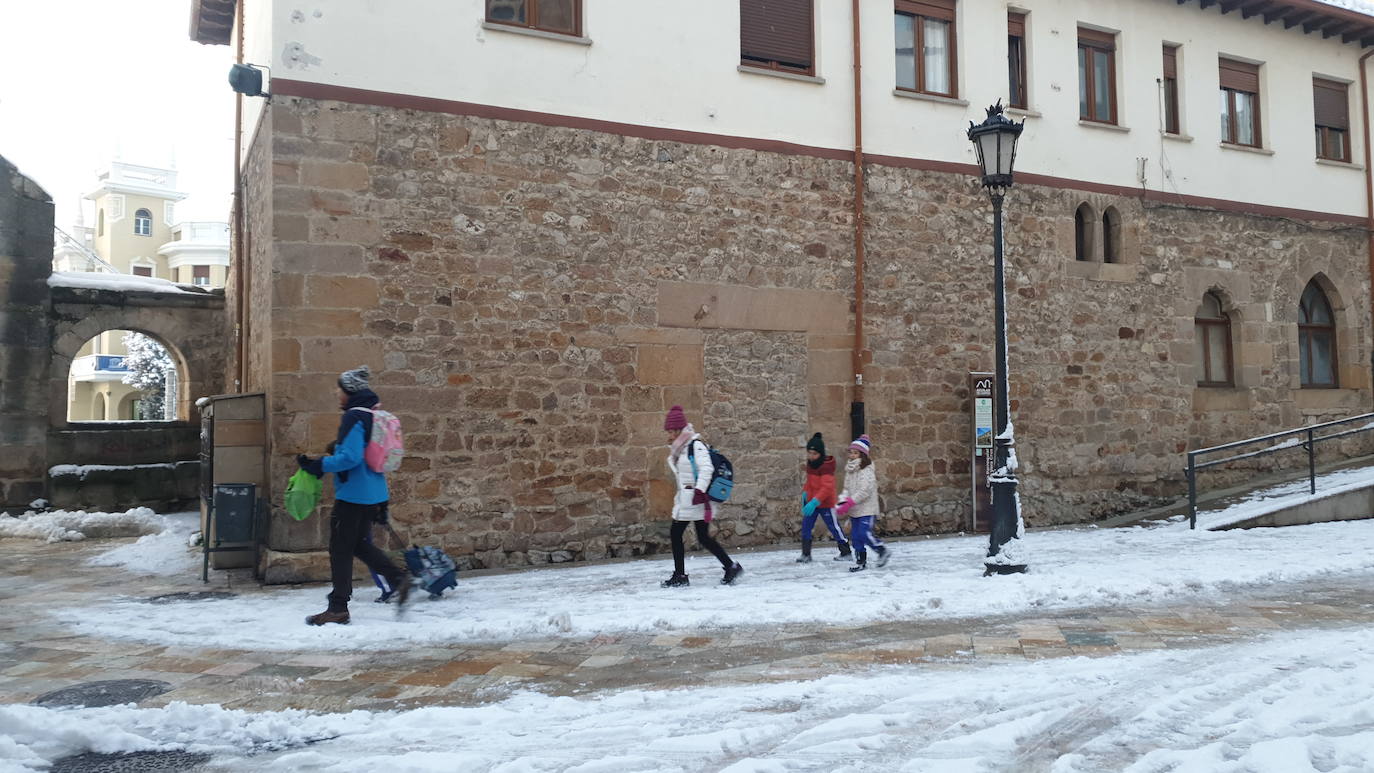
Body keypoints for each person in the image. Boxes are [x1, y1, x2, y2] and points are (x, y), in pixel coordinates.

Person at [297, 365, 411, 624]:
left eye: (339, 389)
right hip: (373, 493)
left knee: (340, 549)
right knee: (358, 544)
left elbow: (349, 458)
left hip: (352, 496)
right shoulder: (375, 415)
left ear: (349, 390)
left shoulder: (354, 417)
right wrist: (383, 503)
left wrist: (318, 465)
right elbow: (375, 459)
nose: (337, 393)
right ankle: (397, 578)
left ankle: (338, 608)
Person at [660, 405, 743, 587]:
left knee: (677, 534)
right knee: (702, 537)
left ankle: (681, 576)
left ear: (677, 430)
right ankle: (730, 566)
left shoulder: (695, 446)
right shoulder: (681, 448)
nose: (669, 434)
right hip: (688, 500)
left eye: (670, 431)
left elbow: (707, 468)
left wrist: (699, 490)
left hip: (696, 500)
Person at [836, 434, 890, 573]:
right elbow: (847, 488)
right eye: (851, 452)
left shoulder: (866, 469)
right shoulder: (850, 469)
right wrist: (843, 501)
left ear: (863, 455)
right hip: (854, 509)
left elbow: (865, 490)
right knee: (855, 537)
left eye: (856, 453)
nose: (852, 455)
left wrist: (851, 501)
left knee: (864, 534)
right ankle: (861, 561)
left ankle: (882, 550)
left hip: (867, 508)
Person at [798, 432, 851, 563]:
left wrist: (815, 501)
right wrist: (805, 495)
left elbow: (826, 488)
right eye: (809, 453)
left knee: (834, 527)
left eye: (814, 454)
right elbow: (809, 483)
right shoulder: (811, 464)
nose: (811, 456)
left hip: (825, 503)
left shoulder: (826, 467)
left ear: (820, 454)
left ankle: (846, 552)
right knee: (806, 526)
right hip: (812, 503)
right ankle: (806, 554)